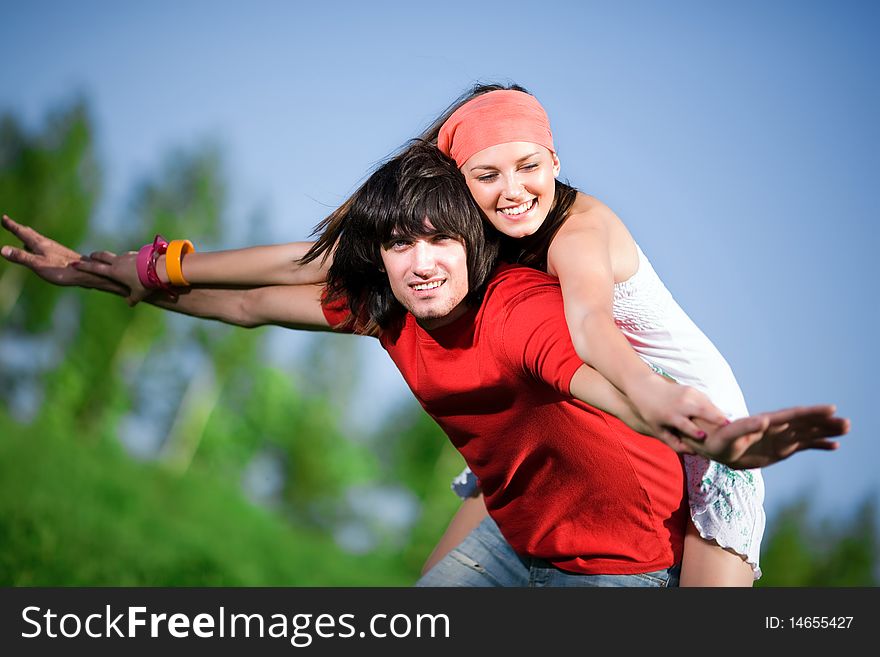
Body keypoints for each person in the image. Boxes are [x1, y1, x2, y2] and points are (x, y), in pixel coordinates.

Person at [0, 143, 849, 587]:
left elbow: (623, 385)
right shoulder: (386, 308)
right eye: (399, 242)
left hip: (624, 563)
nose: (421, 260)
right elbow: (250, 300)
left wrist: (722, 439)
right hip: (518, 530)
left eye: (441, 236)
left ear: (477, 243)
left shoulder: (521, 312)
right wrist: (101, 272)